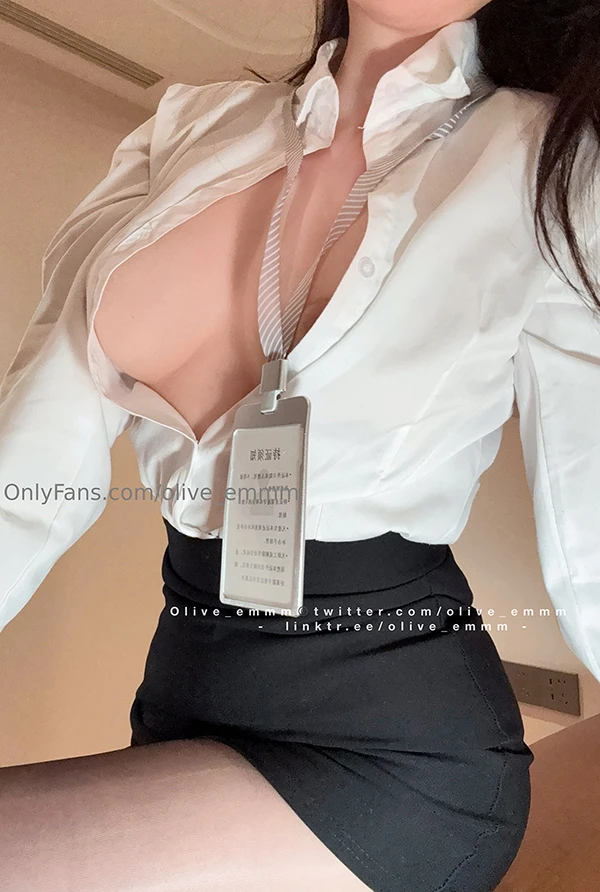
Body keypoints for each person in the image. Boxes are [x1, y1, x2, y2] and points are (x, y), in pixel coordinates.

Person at [1, 0, 599, 890]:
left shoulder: (551, 156)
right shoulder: (187, 126)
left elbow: (591, 517)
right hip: (183, 684)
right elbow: (26, 467)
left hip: (391, 748)